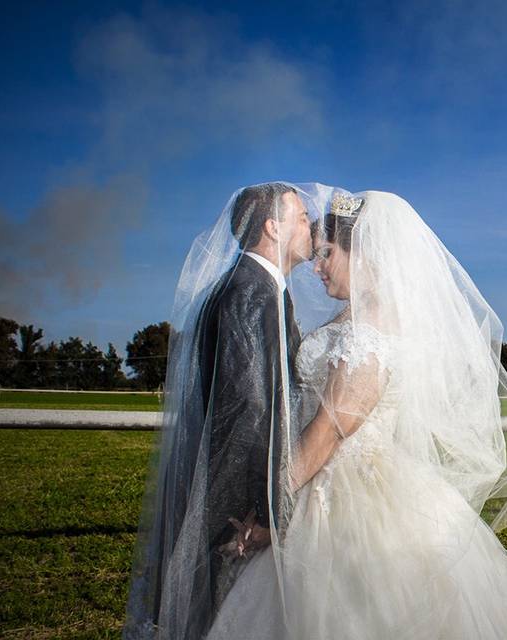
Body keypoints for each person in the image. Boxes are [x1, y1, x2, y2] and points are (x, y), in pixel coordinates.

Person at [206, 189, 507, 639]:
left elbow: (330, 431)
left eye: (328, 254)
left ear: (365, 255)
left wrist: (272, 511)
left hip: (348, 496)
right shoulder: (353, 320)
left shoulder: (372, 331)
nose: (317, 266)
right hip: (325, 480)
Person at [123, 182, 336, 640]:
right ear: (272, 227)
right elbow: (246, 411)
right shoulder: (247, 295)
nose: (310, 227)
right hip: (239, 503)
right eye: (301, 217)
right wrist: (267, 504)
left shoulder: (261, 289)